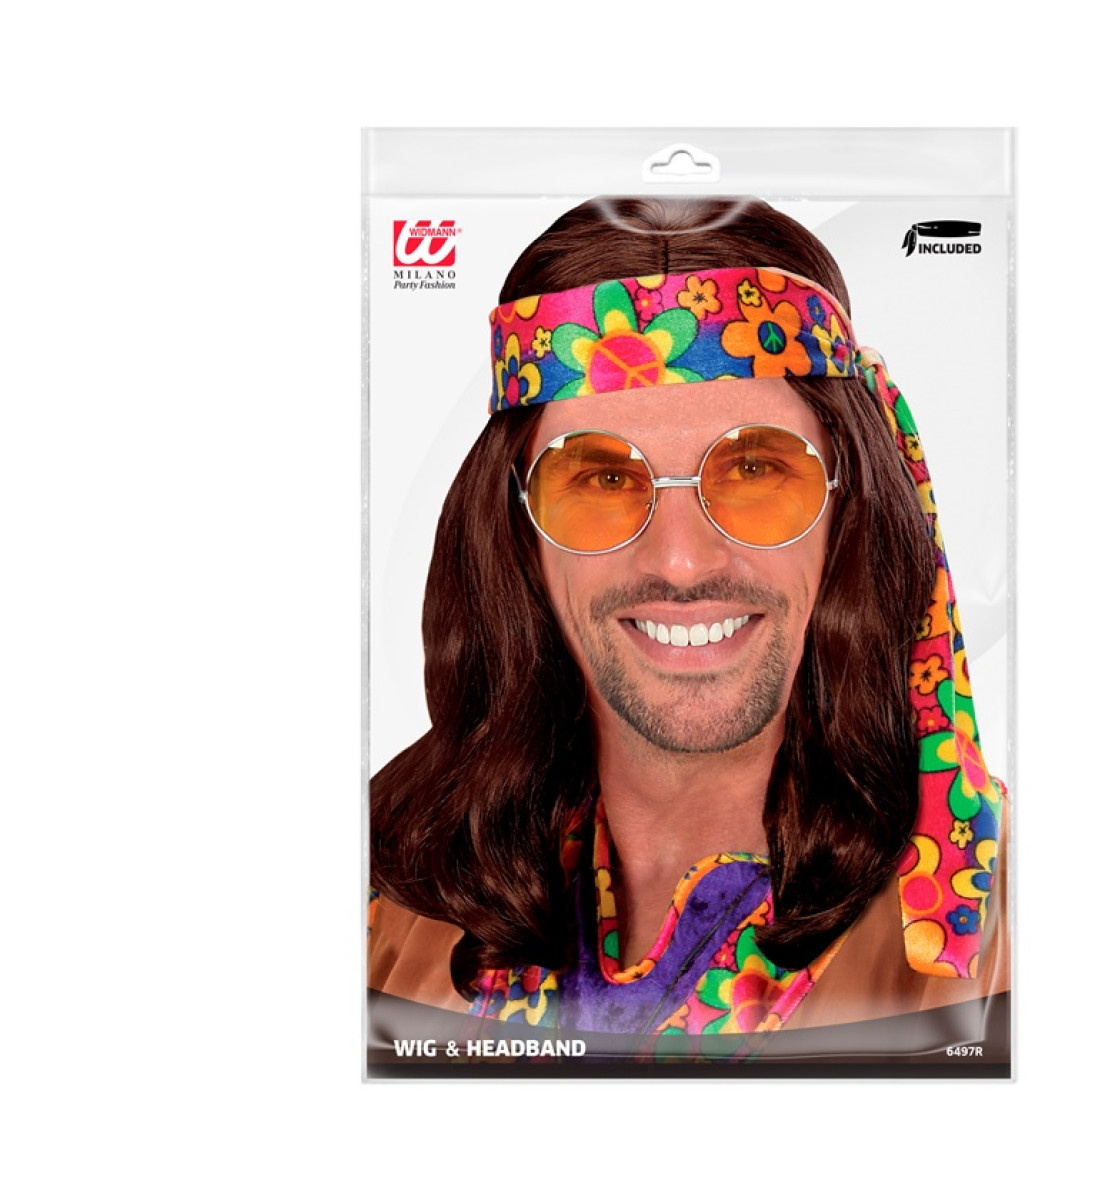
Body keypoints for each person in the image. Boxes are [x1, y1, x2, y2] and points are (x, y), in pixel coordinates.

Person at [368, 197, 1007, 1052]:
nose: (679, 561)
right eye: (601, 480)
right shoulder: (390, 901)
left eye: (754, 469)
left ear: (848, 505)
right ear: (514, 528)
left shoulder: (1005, 923)